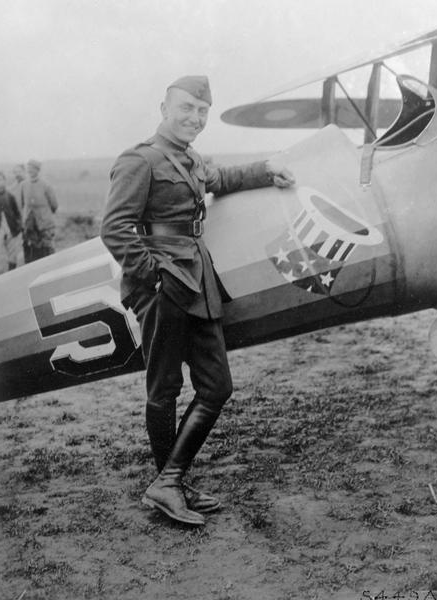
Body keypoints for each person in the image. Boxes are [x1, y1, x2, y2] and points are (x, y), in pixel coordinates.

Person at [101, 75, 295, 526]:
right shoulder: (140, 160)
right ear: (164, 108)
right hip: (164, 285)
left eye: (202, 112)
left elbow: (221, 177)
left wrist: (266, 170)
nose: (195, 118)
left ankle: (168, 481)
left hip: (198, 280)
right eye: (186, 108)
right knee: (164, 387)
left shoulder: (190, 159)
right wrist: (152, 277)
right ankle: (169, 484)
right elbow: (114, 228)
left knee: (216, 386)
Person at [21, 159, 58, 263]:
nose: (30, 171)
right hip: (30, 225)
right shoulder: (24, 185)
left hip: (45, 224)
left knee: (48, 250)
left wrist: (45, 215)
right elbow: (23, 204)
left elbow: (54, 205)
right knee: (33, 251)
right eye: (28, 169)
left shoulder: (46, 185)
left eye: (32, 168)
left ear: (37, 170)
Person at [0, 171, 22, 275]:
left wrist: (19, 226)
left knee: (13, 256)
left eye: (1, 180)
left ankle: (12, 275)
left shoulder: (10, 196)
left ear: (5, 181)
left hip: (11, 229)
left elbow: (17, 213)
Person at [7, 164, 26, 267]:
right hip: (17, 222)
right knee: (15, 247)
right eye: (15, 172)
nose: (17, 174)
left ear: (24, 171)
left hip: (29, 220)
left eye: (19, 172)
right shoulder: (12, 188)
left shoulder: (28, 185)